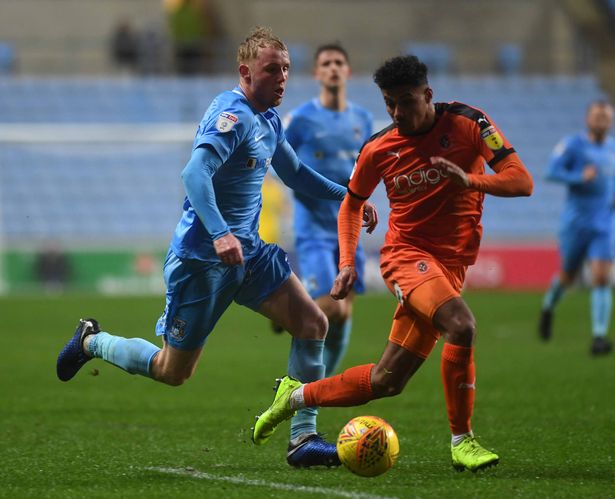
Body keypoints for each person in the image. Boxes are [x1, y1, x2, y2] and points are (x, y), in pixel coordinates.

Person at [56, 27, 376, 469]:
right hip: (203, 261)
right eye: (272, 69)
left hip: (249, 256)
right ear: (245, 72)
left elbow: (296, 173)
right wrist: (221, 232)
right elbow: (194, 174)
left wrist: (348, 197)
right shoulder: (233, 114)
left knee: (313, 323)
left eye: (286, 68)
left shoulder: (267, 119)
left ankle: (303, 440)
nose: (283, 77)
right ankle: (92, 341)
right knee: (173, 371)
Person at [252, 55, 533, 473]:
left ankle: (292, 396)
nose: (398, 112)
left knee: (387, 381)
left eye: (406, 101)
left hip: (451, 266)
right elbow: (351, 204)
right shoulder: (380, 147)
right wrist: (347, 262)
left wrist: (471, 180)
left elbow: (521, 180)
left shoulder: (470, 124)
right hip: (406, 258)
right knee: (462, 325)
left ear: (428, 95)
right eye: (389, 103)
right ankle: (463, 441)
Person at [281, 43, 373, 378]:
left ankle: (318, 391)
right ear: (317, 73)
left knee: (345, 312)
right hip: (314, 228)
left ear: (347, 71)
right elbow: (280, 161)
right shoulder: (301, 118)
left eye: (339, 62)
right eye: (326, 63)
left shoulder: (362, 119)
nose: (333, 68)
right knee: (331, 308)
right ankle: (289, 314)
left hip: (348, 231)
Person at [538, 100, 615, 356]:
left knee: (602, 277)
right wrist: (578, 177)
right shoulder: (573, 145)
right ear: (588, 119)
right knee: (568, 276)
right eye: (597, 116)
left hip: (604, 224)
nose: (602, 121)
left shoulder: (613, 148)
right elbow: (550, 172)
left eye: (606, 117)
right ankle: (548, 307)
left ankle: (599, 337)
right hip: (576, 223)